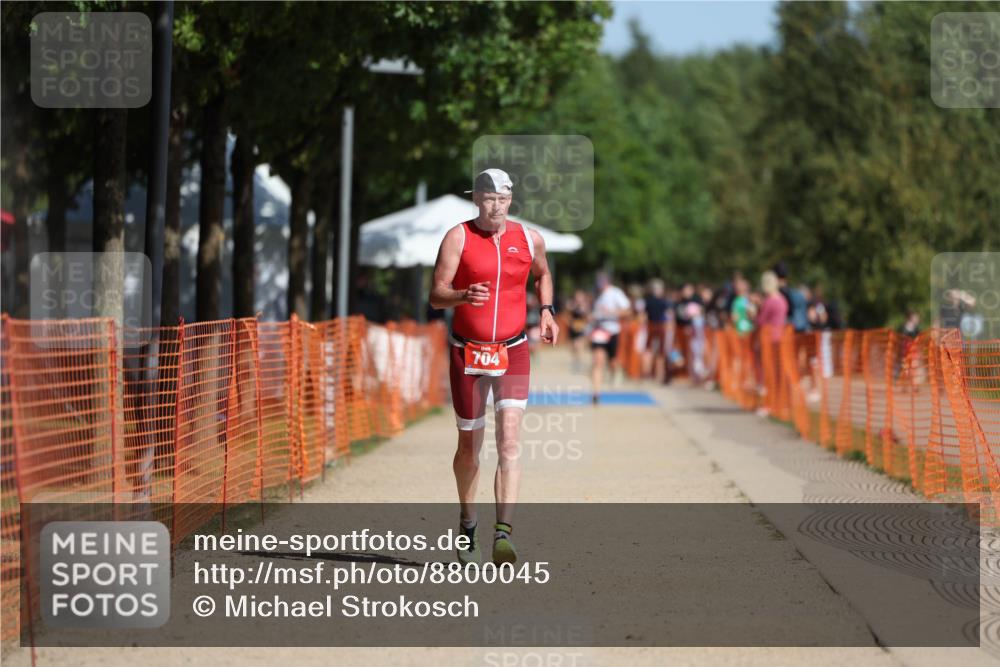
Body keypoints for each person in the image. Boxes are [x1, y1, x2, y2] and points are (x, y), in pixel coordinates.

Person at [429, 168, 559, 566]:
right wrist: (463, 295)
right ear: (477, 199)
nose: (496, 205)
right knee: (469, 445)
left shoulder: (528, 238)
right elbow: (436, 296)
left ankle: (504, 534)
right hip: (466, 352)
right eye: (488, 198)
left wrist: (548, 311)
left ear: (510, 201)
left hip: (514, 349)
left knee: (509, 440)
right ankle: (468, 525)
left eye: (503, 199)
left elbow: (543, 274)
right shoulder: (458, 237)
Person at [589, 272, 630, 404]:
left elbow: (628, 310)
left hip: (612, 330)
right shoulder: (596, 295)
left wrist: (611, 313)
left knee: (612, 362)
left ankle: (616, 371)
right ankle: (596, 393)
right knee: (598, 361)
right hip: (599, 330)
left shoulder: (615, 293)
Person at [643, 279, 671, 382]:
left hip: (651, 326)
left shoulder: (648, 301)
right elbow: (668, 315)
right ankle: (658, 374)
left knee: (649, 349)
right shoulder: (663, 302)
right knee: (660, 351)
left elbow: (644, 315)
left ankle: (648, 372)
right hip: (659, 326)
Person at [566, 289, 591, 373]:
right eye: (577, 296)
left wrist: (584, 323)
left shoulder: (585, 306)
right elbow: (568, 314)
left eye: (580, 296)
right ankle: (575, 361)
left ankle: (578, 363)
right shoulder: (571, 304)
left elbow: (587, 317)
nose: (578, 298)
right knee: (573, 347)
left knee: (578, 346)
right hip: (572, 328)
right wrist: (570, 323)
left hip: (581, 328)